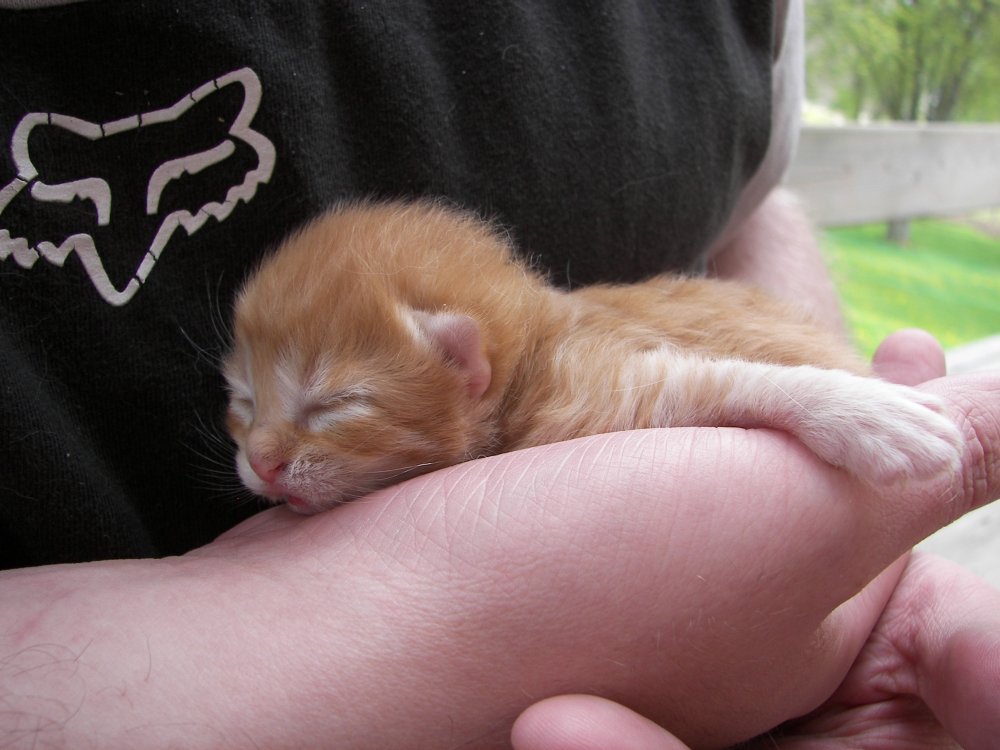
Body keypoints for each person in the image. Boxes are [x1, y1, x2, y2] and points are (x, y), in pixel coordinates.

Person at [1, 1, 997, 747]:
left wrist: (835, 548)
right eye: (242, 403)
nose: (260, 460)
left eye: (334, 405)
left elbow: (723, 287)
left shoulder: (557, 368)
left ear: (464, 364)